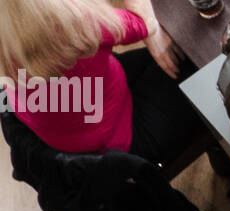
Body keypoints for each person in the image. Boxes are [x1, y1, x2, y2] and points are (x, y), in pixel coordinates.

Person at [0, 0, 203, 164]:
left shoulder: (10, 32)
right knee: (200, 58)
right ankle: (225, 157)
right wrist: (149, 29)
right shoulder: (72, 23)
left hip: (65, 120)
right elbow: (142, 23)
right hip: (120, 143)